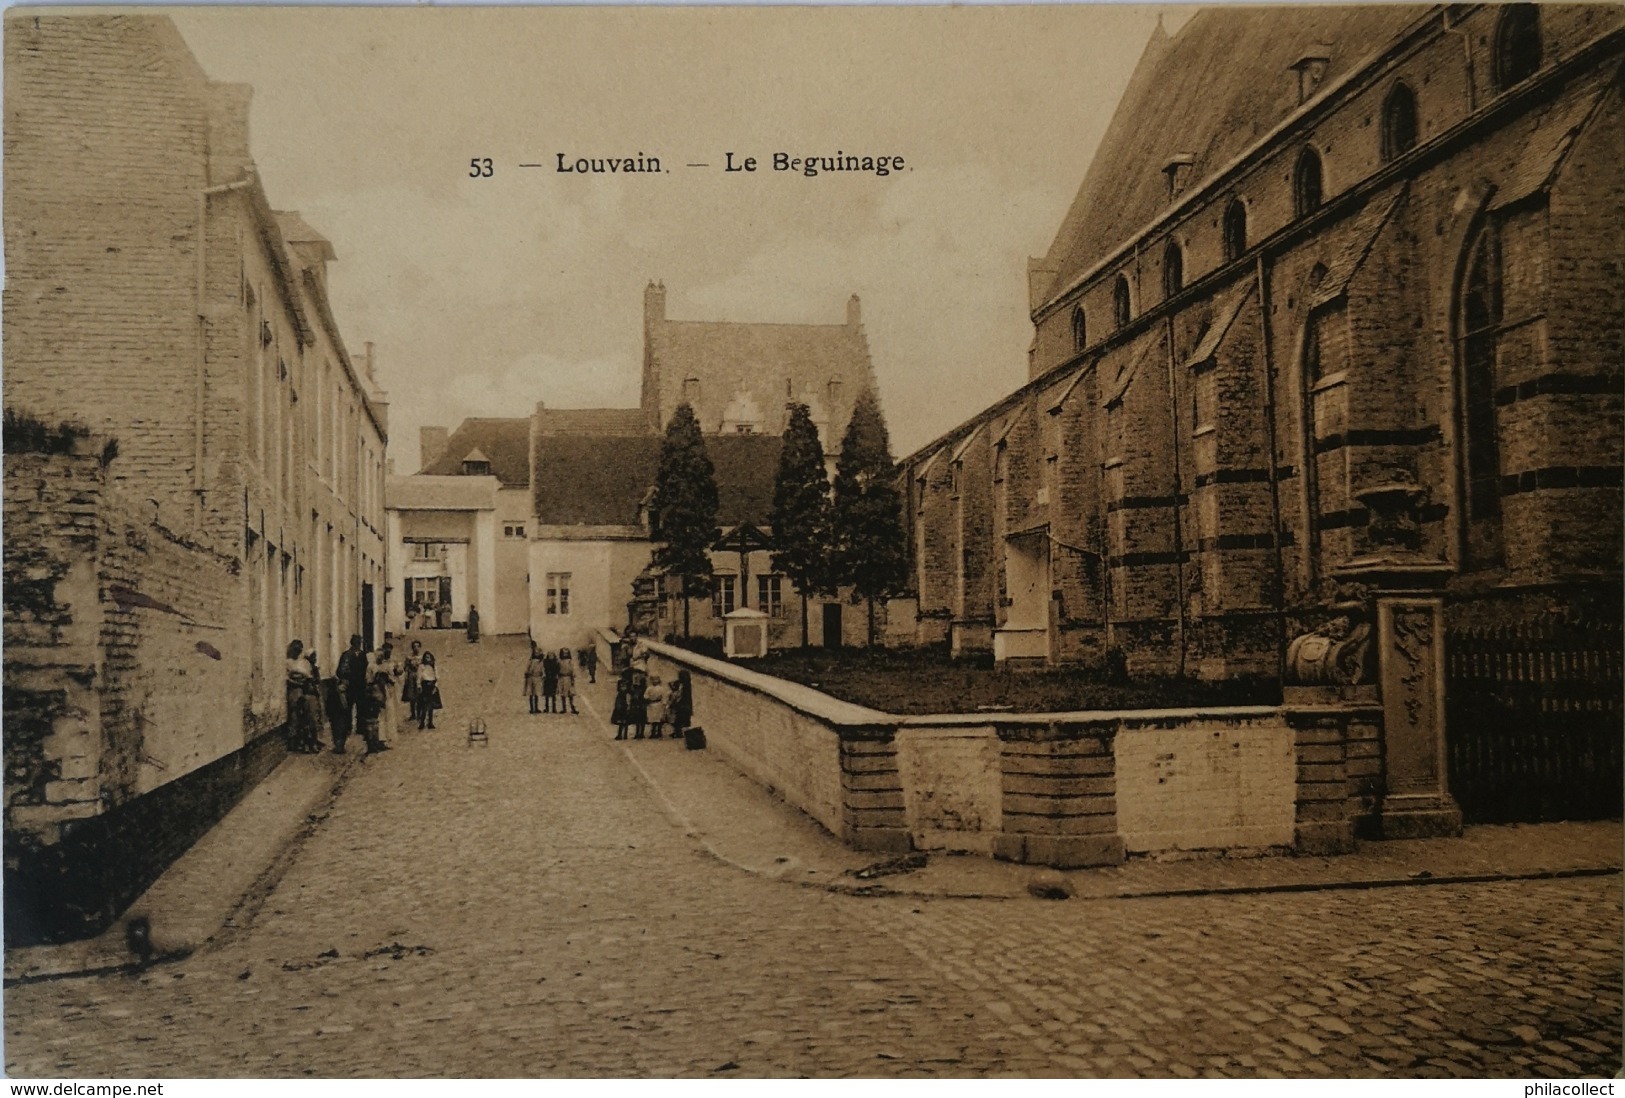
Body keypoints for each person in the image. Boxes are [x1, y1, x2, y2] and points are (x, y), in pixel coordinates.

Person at [335, 634, 369, 754]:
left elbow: (366, 670)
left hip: (360, 686)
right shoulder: (347, 655)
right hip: (350, 687)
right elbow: (340, 671)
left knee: (362, 710)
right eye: (356, 642)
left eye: (359, 641)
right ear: (352, 642)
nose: (358, 643)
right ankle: (344, 737)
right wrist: (346, 678)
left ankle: (363, 733)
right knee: (345, 712)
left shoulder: (363, 655)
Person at [285, 640, 319, 753]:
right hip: (295, 692)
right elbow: (287, 678)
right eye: (295, 649)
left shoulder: (304, 663)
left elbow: (310, 677)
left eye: (299, 649)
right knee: (295, 717)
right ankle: (296, 743)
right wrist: (299, 681)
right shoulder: (288, 662)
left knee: (308, 718)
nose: (297, 651)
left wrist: (305, 681)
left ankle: (309, 742)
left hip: (305, 692)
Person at [401, 640, 423, 727]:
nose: (416, 648)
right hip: (411, 677)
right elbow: (405, 668)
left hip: (419, 676)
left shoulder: (422, 658)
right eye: (414, 646)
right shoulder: (409, 658)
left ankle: (419, 713)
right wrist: (406, 677)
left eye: (418, 646)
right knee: (412, 696)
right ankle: (413, 713)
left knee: (419, 695)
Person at [416, 652, 441, 729]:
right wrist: (419, 686)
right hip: (424, 686)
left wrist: (435, 687)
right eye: (426, 657)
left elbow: (437, 677)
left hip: (432, 685)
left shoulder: (433, 667)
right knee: (424, 705)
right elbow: (419, 677)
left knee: (431, 705)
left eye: (429, 657)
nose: (427, 659)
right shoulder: (422, 667)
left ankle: (430, 722)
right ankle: (422, 722)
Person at [611, 665, 634, 741]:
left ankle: (622, 734)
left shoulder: (624, 683)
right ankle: (623, 734)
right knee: (624, 719)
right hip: (623, 701)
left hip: (622, 701)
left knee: (623, 719)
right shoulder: (627, 683)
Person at [644, 673, 669, 740]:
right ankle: (653, 732)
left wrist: (664, 704)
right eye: (653, 680)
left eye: (656, 680)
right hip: (651, 704)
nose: (655, 681)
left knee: (659, 719)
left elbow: (664, 697)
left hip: (659, 704)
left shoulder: (661, 689)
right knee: (653, 719)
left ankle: (659, 732)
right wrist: (648, 700)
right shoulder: (649, 688)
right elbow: (645, 696)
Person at [670, 669, 693, 741]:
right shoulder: (684, 685)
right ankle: (677, 732)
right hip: (683, 705)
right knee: (678, 719)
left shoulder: (685, 686)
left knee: (679, 720)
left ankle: (678, 733)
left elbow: (681, 696)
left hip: (682, 705)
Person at [524, 643, 544, 715]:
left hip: (536, 677)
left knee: (535, 693)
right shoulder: (531, 661)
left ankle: (535, 707)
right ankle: (532, 708)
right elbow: (527, 670)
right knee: (532, 693)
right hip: (532, 677)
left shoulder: (540, 662)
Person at [557, 648, 578, 715]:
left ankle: (572, 707)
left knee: (570, 694)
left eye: (566, 653)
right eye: (563, 653)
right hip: (562, 678)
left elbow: (572, 670)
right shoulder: (559, 661)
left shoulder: (570, 661)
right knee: (563, 693)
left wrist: (573, 677)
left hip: (568, 678)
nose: (565, 654)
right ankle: (564, 708)